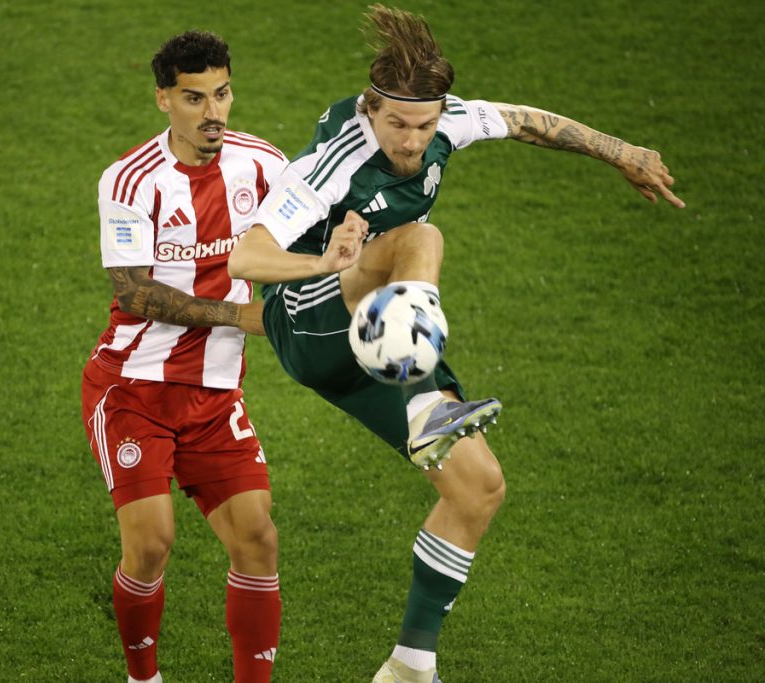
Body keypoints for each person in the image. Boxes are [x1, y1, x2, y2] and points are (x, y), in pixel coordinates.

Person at [227, 5, 684, 682]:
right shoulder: (333, 162)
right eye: (397, 124)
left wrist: (622, 152)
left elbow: (524, 121)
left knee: (477, 487)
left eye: (425, 125)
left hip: (375, 335)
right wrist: (325, 261)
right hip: (309, 321)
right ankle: (424, 406)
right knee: (421, 238)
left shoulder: (447, 122)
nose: (412, 141)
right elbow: (246, 257)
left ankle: (410, 665)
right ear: (370, 108)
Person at [82, 30, 288, 683]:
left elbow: (304, 238)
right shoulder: (129, 180)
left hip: (215, 394)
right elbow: (134, 293)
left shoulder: (264, 165)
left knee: (257, 537)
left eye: (222, 94)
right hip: (132, 388)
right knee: (150, 543)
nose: (213, 112)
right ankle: (143, 679)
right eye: (195, 98)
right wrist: (239, 316)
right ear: (163, 99)